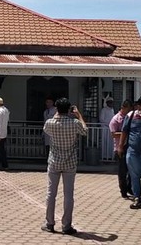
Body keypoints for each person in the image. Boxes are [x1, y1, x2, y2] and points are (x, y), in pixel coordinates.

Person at [40, 98, 87, 235]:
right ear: (69, 110)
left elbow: (47, 129)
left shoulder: (50, 123)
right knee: (68, 195)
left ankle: (50, 223)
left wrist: (56, 114)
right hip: (70, 162)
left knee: (51, 194)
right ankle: (66, 225)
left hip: (54, 161)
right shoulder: (74, 123)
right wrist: (79, 115)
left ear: (56, 109)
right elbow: (85, 131)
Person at [108, 99, 133, 198]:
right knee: (122, 171)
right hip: (120, 147)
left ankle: (129, 187)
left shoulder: (130, 118)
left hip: (130, 146)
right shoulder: (116, 119)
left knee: (131, 170)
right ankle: (123, 190)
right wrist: (124, 133)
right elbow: (113, 134)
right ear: (124, 108)